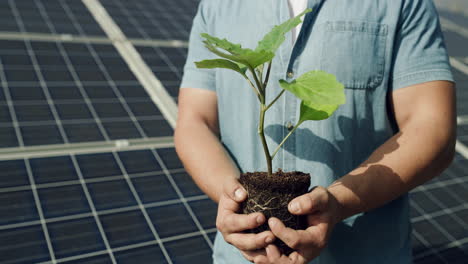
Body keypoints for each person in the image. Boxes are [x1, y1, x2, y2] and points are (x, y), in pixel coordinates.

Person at [174, 0, 456, 263]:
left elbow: (432, 128)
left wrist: (339, 201)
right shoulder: (218, 5)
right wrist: (232, 197)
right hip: (239, 256)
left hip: (365, 252)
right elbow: (194, 121)